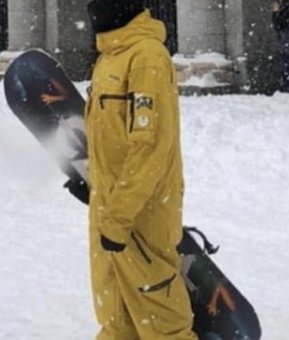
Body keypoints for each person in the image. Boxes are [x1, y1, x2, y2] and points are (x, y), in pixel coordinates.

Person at [83, 1, 197, 339]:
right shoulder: (109, 57)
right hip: (110, 210)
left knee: (161, 323)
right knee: (117, 318)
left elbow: (149, 149)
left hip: (141, 214)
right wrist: (94, 184)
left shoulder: (146, 56)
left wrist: (118, 217)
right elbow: (109, 136)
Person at [272, 0, 289, 94]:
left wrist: (276, 13)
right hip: (288, 43)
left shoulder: (287, 12)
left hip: (288, 43)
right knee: (288, 67)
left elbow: (278, 25)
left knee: (288, 67)